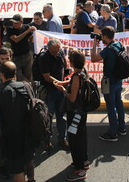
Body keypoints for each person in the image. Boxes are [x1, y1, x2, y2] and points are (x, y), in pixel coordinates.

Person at [0, 61, 34, 182]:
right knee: (28, 159)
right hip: (29, 133)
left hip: (12, 137)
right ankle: (31, 179)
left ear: (1, 74)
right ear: (15, 73)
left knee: (17, 169)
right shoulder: (27, 86)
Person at [54, 50, 90, 181]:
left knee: (75, 141)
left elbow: (72, 98)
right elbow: (73, 85)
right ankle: (84, 162)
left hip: (75, 113)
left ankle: (80, 170)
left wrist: (63, 90)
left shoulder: (76, 76)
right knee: (81, 137)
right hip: (82, 112)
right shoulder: (83, 72)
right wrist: (62, 83)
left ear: (72, 62)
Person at [89, 26, 126, 141]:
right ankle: (122, 128)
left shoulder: (108, 50)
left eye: (101, 36)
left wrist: (95, 43)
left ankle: (112, 133)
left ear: (105, 36)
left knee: (111, 106)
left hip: (109, 81)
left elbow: (93, 58)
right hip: (119, 80)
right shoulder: (119, 44)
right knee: (119, 103)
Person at [39, 38, 69, 150]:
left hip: (60, 91)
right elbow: (47, 77)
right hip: (49, 92)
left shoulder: (60, 52)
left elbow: (64, 63)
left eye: (58, 50)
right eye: (54, 51)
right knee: (48, 117)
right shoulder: (44, 58)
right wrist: (61, 83)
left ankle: (62, 138)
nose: (56, 52)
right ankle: (47, 140)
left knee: (62, 116)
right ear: (49, 49)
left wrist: (66, 71)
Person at [5, 14, 36, 82]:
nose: (14, 24)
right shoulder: (10, 29)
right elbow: (16, 39)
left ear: (21, 22)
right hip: (16, 55)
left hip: (27, 54)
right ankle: (25, 84)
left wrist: (35, 33)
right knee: (17, 73)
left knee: (28, 72)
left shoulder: (26, 27)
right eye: (13, 22)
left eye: (16, 23)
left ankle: (29, 86)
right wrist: (27, 31)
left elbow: (31, 39)